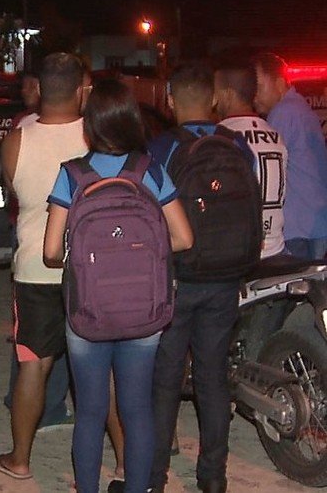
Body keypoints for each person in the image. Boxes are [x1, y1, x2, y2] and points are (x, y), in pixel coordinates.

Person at [43, 79, 193, 493]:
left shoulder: (73, 175)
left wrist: (85, 256)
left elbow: (51, 251)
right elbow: (184, 238)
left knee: (91, 413)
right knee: (137, 410)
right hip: (143, 311)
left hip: (87, 312)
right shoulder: (150, 171)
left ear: (89, 125)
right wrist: (143, 252)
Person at [148, 63, 252, 493]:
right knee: (213, 377)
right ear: (212, 100)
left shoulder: (161, 147)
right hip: (226, 277)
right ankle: (213, 477)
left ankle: (154, 476)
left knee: (165, 379)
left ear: (170, 100)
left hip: (178, 276)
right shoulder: (237, 145)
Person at [0, 53, 90, 481]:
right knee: (102, 368)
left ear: (40, 88)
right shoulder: (97, 136)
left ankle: (20, 459)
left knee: (33, 363)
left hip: (35, 268)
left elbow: (13, 193)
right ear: (82, 90)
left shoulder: (16, 140)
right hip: (91, 268)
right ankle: (124, 463)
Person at [253, 53, 327, 260]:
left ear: (278, 83)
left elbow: (268, 167)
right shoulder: (300, 108)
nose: (254, 96)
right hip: (315, 221)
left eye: (259, 87)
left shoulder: (283, 112)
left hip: (298, 226)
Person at [216, 60, 288, 258]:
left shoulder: (220, 137)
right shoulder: (275, 136)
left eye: (216, 93)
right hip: (275, 248)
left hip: (240, 253)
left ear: (227, 95)